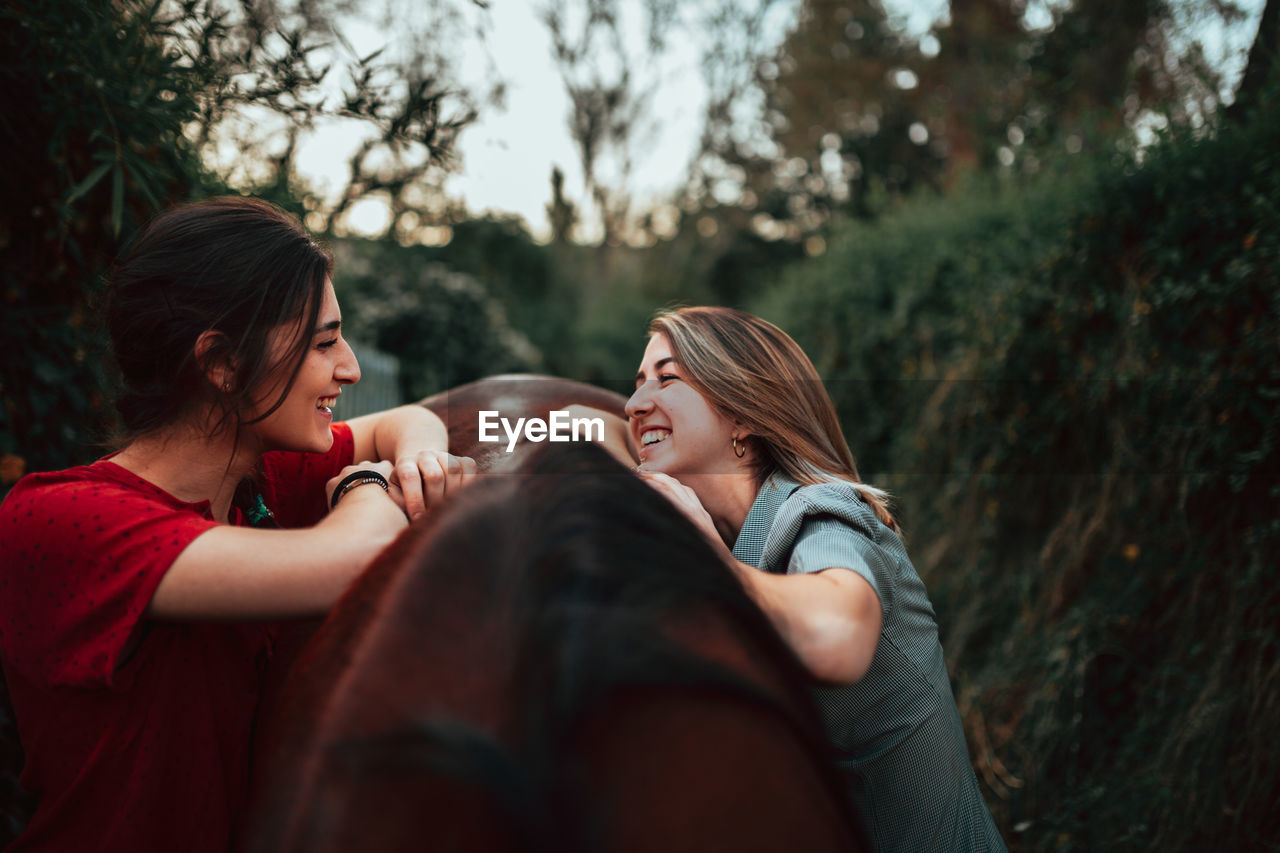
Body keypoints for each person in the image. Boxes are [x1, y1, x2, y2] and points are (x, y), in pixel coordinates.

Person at [0, 196, 476, 852]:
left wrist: (419, 455)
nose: (351, 368)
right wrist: (369, 481)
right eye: (324, 342)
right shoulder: (64, 521)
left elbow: (407, 419)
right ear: (222, 363)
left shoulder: (260, 480)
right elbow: (359, 555)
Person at [622, 306, 1005, 852]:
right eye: (636, 384)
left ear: (742, 415)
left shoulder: (822, 510)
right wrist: (451, 458)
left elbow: (836, 639)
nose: (636, 403)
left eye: (668, 378)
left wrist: (710, 564)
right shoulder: (731, 539)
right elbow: (583, 419)